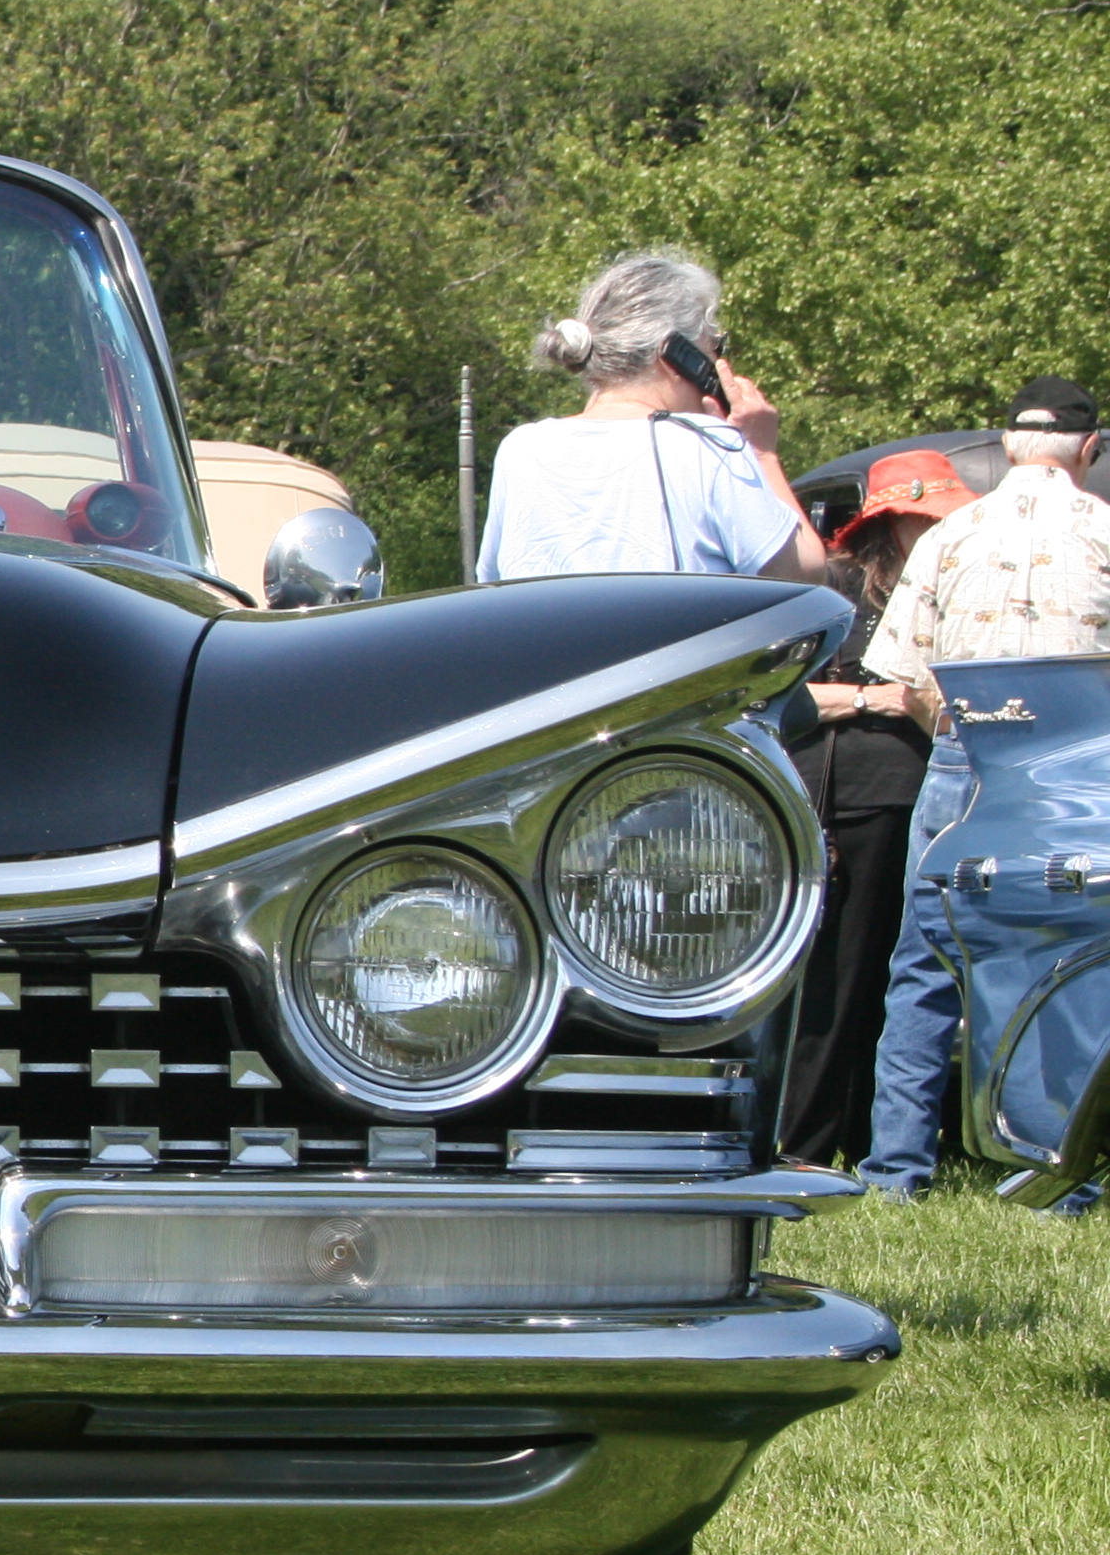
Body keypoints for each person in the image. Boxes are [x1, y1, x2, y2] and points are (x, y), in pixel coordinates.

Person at [856, 376, 1110, 1201]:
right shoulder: (1107, 534)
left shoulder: (948, 538)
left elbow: (905, 676)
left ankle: (897, 1170)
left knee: (925, 965)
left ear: (1007, 447)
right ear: (1090, 449)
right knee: (1071, 968)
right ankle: (1058, 1177)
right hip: (1076, 773)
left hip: (966, 759)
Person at [775, 452, 969, 1164]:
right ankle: (806, 1141)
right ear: (896, 520)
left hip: (908, 790)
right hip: (839, 794)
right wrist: (869, 697)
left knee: (899, 968)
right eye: (933, 518)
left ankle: (871, 1137)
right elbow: (782, 695)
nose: (946, 529)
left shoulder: (942, 580)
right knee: (835, 977)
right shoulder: (835, 589)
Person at [476, 250, 830, 585]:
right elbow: (805, 574)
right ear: (677, 356)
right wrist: (762, 452)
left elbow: (495, 582)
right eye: (715, 348)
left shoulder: (521, 450)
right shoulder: (710, 444)